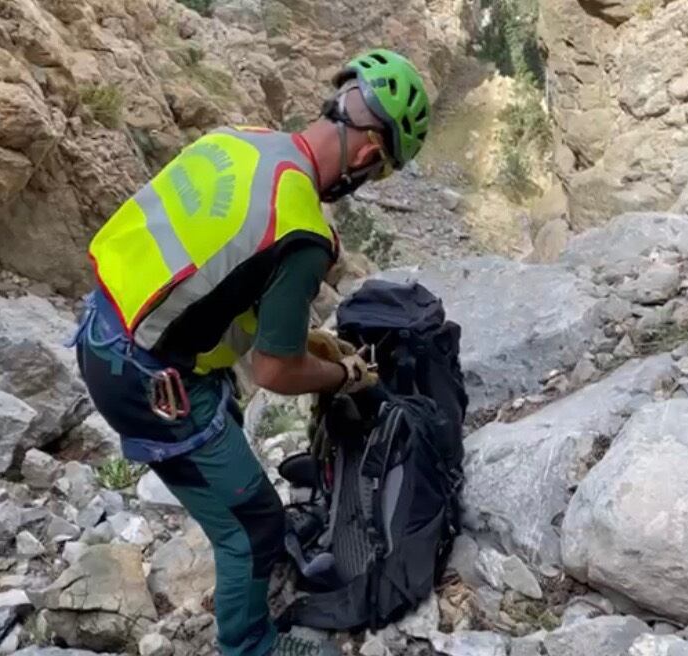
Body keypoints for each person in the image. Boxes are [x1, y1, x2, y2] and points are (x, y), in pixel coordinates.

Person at [67, 49, 430, 656]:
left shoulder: (243, 141)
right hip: (147, 381)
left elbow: (219, 264)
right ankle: (250, 646)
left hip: (104, 323)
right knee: (252, 528)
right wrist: (341, 372)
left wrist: (304, 337)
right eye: (380, 170)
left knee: (227, 442)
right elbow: (275, 369)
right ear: (369, 157)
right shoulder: (303, 234)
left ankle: (240, 526)